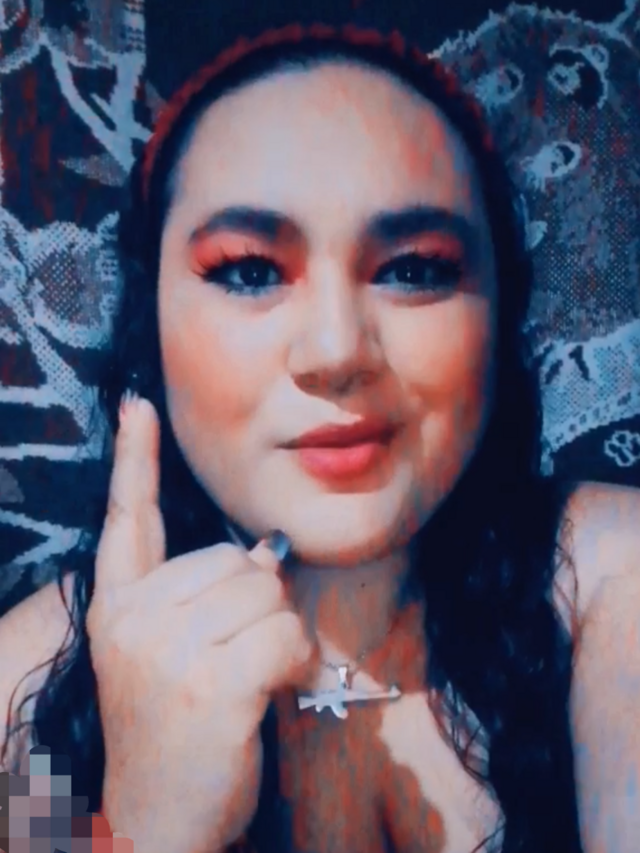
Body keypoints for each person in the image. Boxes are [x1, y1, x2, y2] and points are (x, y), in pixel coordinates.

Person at [0, 21, 638, 853]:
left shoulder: (610, 579)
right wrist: (146, 823)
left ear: (498, 311)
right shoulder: (20, 704)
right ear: (150, 322)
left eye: (413, 268)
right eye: (250, 271)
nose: (337, 352)